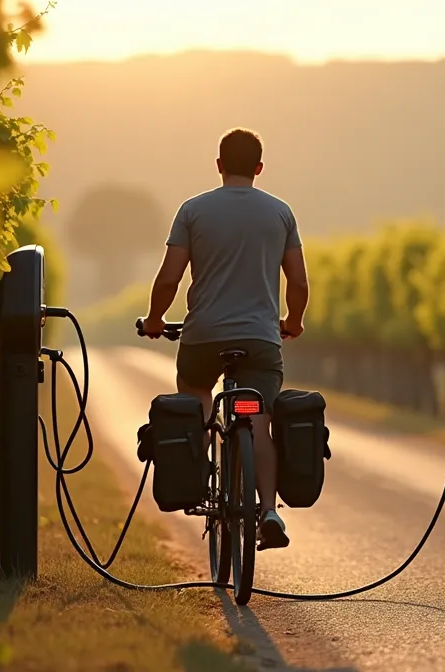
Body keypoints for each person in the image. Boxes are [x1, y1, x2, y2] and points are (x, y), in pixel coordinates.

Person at [141, 127, 309, 550]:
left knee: (197, 397)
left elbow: (169, 279)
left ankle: (199, 480)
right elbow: (299, 282)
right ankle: (268, 510)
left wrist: (156, 319)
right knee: (259, 422)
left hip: (203, 337)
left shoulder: (193, 211)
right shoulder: (280, 213)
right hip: (260, 338)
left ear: (218, 165)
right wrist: (294, 321)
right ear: (259, 168)